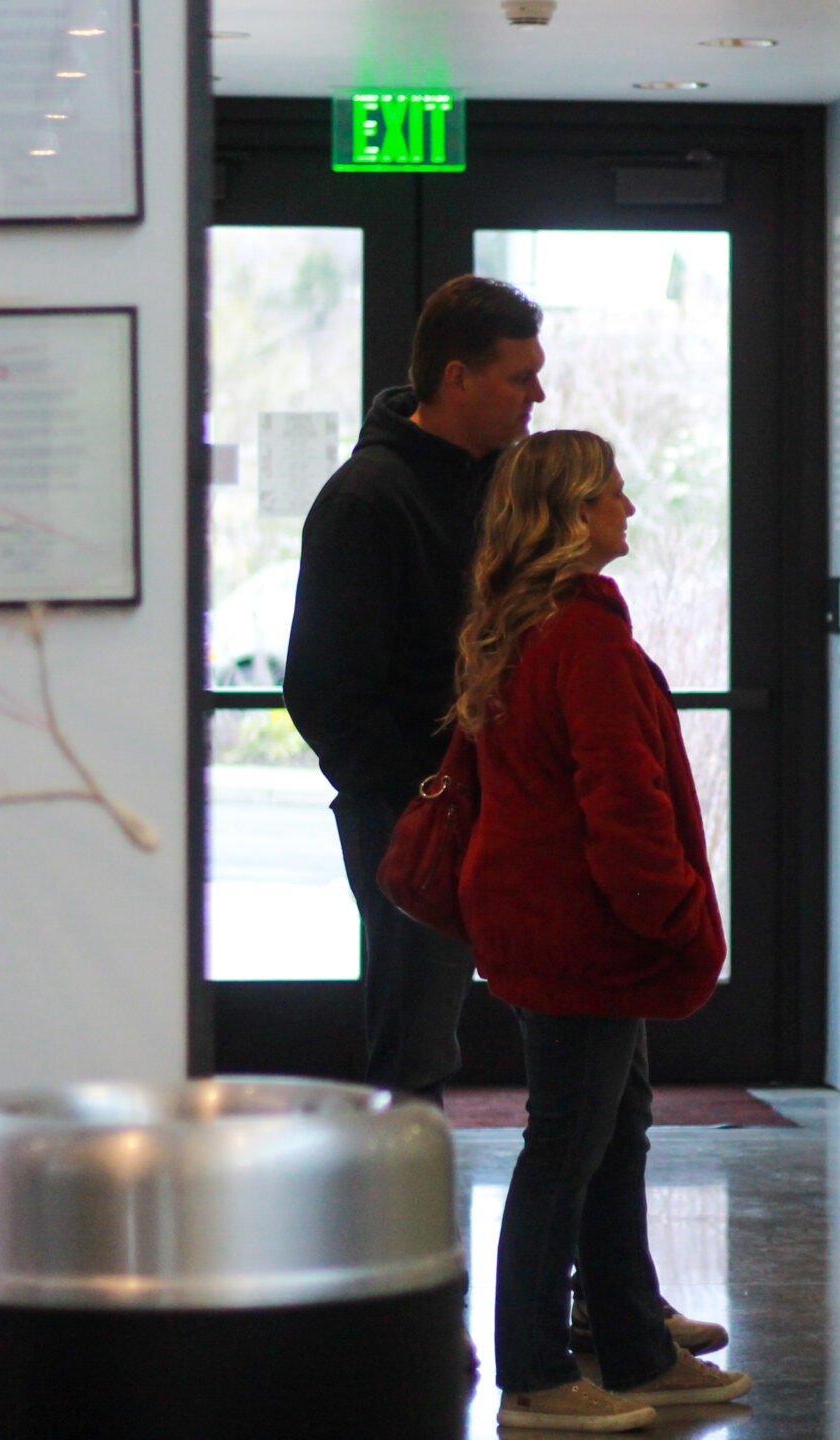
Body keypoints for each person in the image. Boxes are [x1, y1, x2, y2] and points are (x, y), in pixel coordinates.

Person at [452, 431, 748, 1432]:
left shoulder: (524, 627)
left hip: (548, 931)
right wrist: (673, 923)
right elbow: (622, 808)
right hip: (579, 937)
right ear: (573, 516)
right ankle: (534, 1377)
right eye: (614, 494)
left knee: (610, 1139)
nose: (629, 510)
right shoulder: (580, 642)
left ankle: (632, 1350)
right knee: (566, 1150)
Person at [284, 274, 544, 1103]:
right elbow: (323, 691)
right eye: (518, 377)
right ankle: (404, 1233)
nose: (536, 395)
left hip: (504, 801)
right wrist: (419, 789)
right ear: (457, 378)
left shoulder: (510, 488)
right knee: (416, 1060)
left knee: (579, 1042)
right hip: (413, 816)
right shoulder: (366, 499)